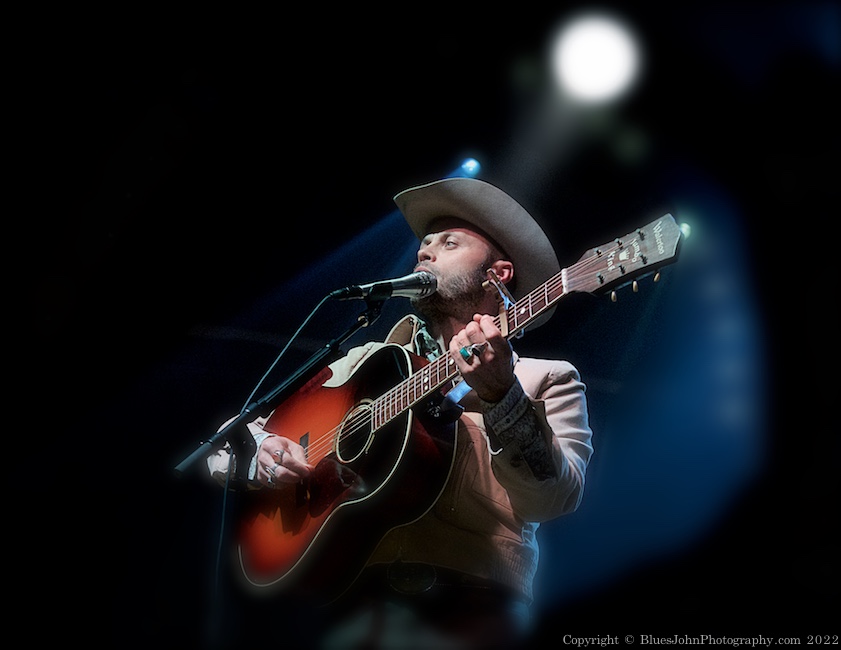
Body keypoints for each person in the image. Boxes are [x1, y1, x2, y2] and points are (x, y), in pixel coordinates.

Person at [207, 177, 593, 649]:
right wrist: (262, 450)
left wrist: (502, 396)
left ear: (499, 274)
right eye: (423, 245)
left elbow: (554, 500)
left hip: (471, 611)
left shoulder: (545, 377)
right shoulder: (366, 360)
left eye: (448, 243)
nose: (424, 253)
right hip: (348, 606)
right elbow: (230, 444)